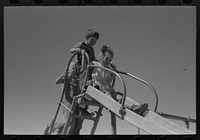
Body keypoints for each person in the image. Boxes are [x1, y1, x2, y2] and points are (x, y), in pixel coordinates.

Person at [55, 29, 99, 134]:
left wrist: (97, 63)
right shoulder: (82, 44)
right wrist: (79, 50)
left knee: (88, 85)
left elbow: (93, 59)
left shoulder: (92, 49)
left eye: (95, 41)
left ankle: (84, 106)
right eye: (92, 40)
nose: (93, 42)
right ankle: (59, 128)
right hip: (81, 67)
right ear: (87, 38)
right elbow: (71, 50)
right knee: (71, 122)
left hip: (87, 68)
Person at [91, 45, 148, 116]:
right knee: (108, 97)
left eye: (110, 60)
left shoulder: (109, 68)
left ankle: (135, 107)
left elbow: (109, 81)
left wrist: (114, 71)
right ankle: (117, 109)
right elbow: (86, 70)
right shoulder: (95, 64)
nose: (108, 61)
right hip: (99, 89)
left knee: (120, 97)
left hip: (109, 89)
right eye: (107, 59)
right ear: (102, 56)